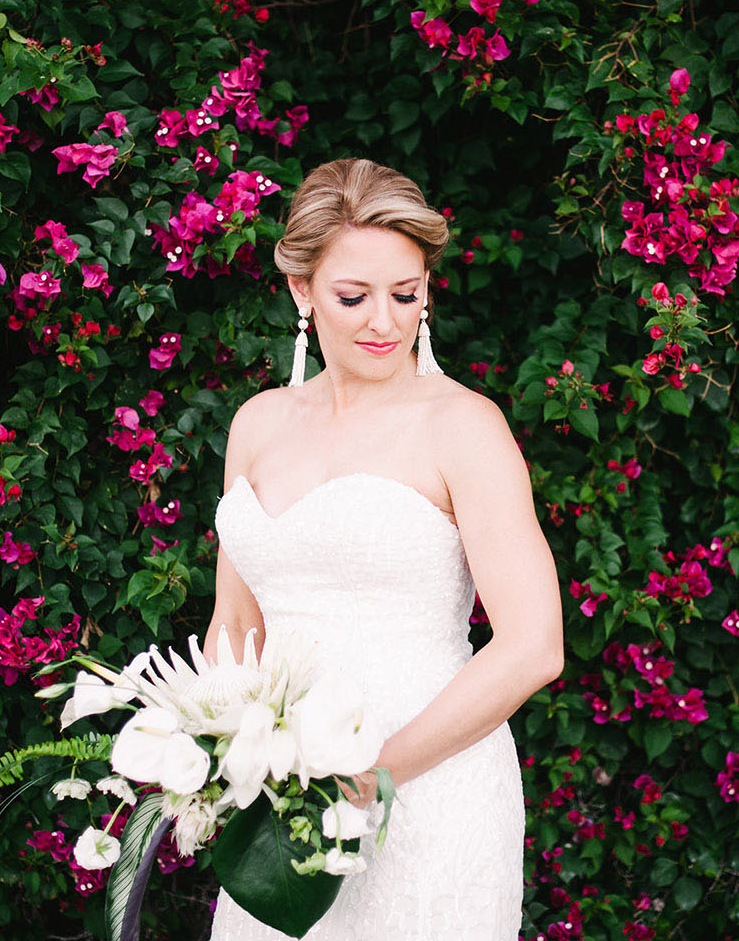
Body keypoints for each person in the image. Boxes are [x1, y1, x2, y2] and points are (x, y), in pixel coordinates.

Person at [202, 157, 564, 939]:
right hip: (281, 809)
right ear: (301, 291)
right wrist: (213, 757)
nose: (383, 323)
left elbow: (533, 647)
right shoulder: (257, 424)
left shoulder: (462, 427)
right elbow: (235, 626)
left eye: (405, 294)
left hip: (432, 794)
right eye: (352, 296)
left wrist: (371, 776)